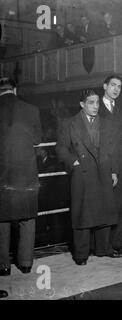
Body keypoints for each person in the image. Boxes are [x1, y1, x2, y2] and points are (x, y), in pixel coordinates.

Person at [56, 89, 122, 265]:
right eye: (91, 103)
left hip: (103, 171)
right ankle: (81, 254)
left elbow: (113, 149)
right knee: (82, 214)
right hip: (82, 173)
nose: (95, 106)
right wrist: (73, 162)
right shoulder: (69, 123)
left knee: (105, 211)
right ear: (82, 104)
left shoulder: (106, 123)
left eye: (97, 103)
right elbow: (61, 148)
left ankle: (104, 249)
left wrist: (114, 170)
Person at [0, 77, 42, 276]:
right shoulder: (31, 109)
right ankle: (25, 263)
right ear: (14, 90)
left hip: (1, 175)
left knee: (1, 220)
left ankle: (3, 266)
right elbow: (37, 140)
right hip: (25, 173)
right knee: (27, 218)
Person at [99, 75, 122, 256]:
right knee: (106, 204)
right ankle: (104, 246)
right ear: (105, 86)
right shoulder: (95, 106)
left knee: (121, 203)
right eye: (113, 85)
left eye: (119, 86)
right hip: (104, 161)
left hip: (121, 161)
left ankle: (118, 243)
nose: (116, 89)